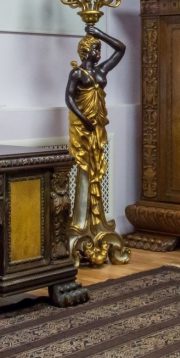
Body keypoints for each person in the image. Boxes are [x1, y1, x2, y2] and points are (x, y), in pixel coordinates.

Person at [63, 24, 129, 265]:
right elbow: (69, 98)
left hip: (97, 127)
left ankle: (96, 221)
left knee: (96, 169)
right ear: (84, 51)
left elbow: (121, 49)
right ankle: (81, 223)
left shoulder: (102, 70)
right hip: (84, 127)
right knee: (85, 169)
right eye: (95, 48)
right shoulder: (77, 73)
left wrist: (99, 33)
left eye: (100, 49)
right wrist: (83, 119)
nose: (99, 52)